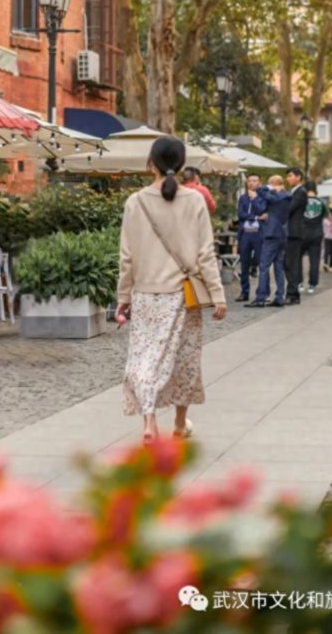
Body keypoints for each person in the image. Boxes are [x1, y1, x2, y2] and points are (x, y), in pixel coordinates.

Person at [115, 135, 226, 443]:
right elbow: (206, 253)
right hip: (183, 296)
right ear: (180, 164)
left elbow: (127, 256)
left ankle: (149, 422)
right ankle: (179, 423)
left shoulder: (135, 202)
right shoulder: (195, 201)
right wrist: (217, 294)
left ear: (150, 163)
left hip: (146, 295)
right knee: (184, 360)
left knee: (144, 358)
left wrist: (123, 297)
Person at [246, 175, 290, 308]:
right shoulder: (288, 196)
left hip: (272, 234)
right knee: (278, 267)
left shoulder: (276, 195)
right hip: (283, 234)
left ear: (272, 184)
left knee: (264, 266)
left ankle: (261, 298)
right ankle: (279, 297)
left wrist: (256, 195)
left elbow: (265, 200)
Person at [235, 174, 267, 302]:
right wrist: (254, 217)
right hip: (245, 234)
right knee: (244, 264)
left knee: (261, 263)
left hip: (258, 234)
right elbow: (240, 214)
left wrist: (254, 200)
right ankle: (244, 292)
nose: (252, 183)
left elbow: (262, 210)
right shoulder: (243, 198)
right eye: (249, 181)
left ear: (260, 182)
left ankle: (262, 293)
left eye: (254, 181)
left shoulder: (263, 197)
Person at [283, 167, 308, 305]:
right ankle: (293, 293)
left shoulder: (300, 192)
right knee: (288, 263)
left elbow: (289, 209)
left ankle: (292, 294)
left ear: (298, 177)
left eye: (291, 176)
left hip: (294, 233)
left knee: (290, 263)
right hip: (291, 232)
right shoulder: (294, 192)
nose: (288, 179)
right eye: (287, 176)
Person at [300, 182, 325, 294]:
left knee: (297, 259)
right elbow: (326, 215)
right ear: (316, 190)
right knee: (314, 260)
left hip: (302, 233)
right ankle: (312, 285)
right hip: (316, 234)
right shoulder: (322, 202)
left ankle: (299, 283)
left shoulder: (301, 201)